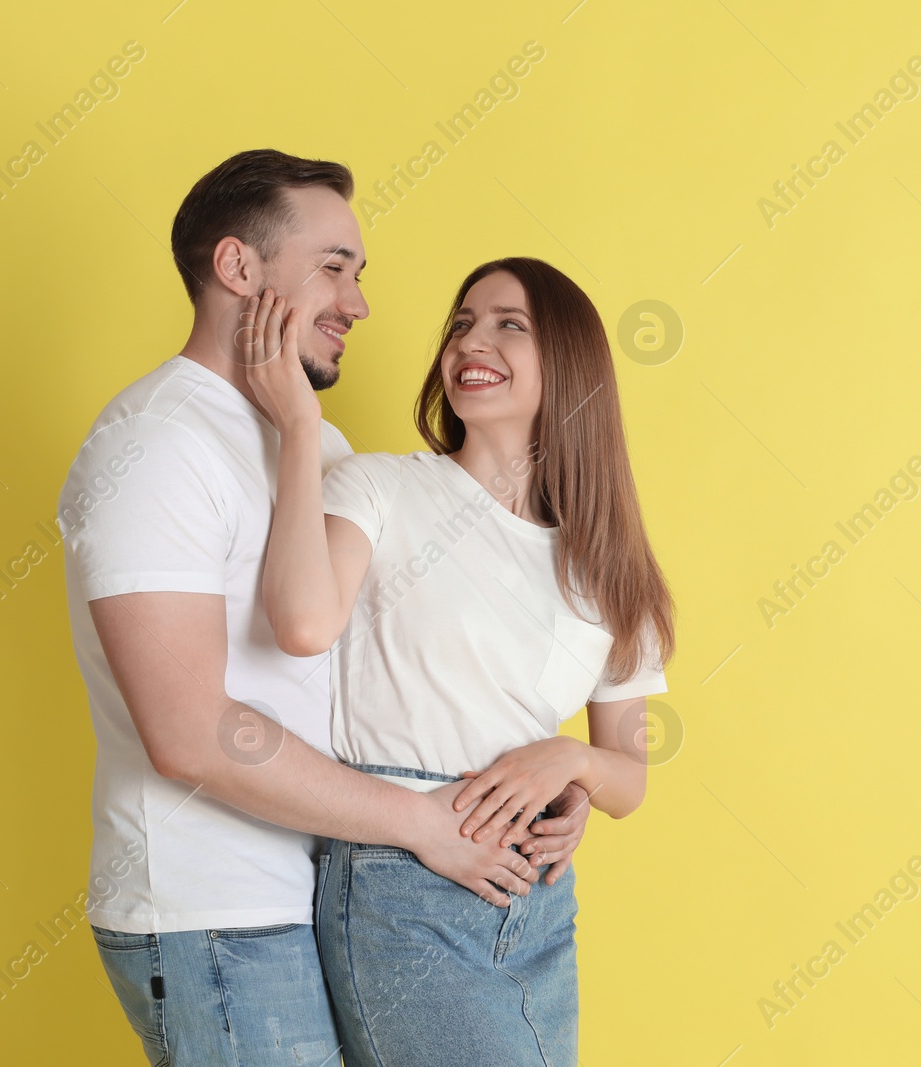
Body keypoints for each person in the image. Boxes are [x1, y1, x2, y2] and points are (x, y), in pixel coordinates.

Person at [59, 151, 594, 1066]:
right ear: (238, 270)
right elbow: (190, 732)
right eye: (333, 267)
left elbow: (396, 663)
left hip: (322, 893)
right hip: (215, 915)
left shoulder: (314, 441)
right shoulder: (157, 446)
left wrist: (549, 781)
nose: (358, 302)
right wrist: (420, 822)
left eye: (360, 274)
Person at [245, 255, 677, 1066]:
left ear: (570, 364)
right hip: (401, 881)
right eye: (462, 323)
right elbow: (303, 622)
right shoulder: (377, 488)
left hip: (538, 901)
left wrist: (571, 761)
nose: (470, 341)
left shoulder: (608, 567)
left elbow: (630, 781)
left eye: (509, 324)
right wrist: (300, 425)